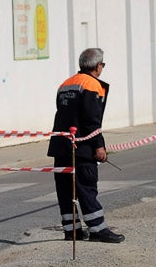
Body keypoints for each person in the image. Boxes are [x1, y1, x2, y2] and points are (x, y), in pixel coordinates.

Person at [47, 47, 125, 243]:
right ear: (98, 66)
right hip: (82, 147)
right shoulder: (92, 85)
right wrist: (99, 146)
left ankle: (72, 231)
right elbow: (92, 120)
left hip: (61, 145)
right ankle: (98, 229)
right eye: (103, 65)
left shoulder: (65, 84)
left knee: (65, 190)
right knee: (86, 187)